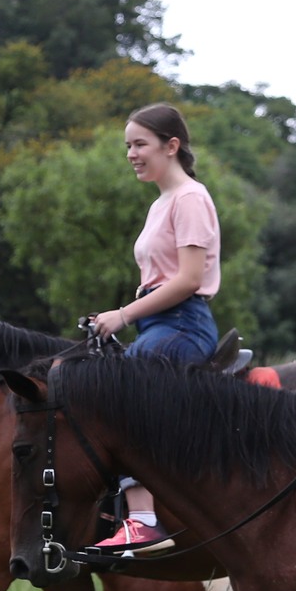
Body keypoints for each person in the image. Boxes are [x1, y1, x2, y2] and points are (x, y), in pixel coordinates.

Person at [88, 102, 222, 553]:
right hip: (156, 321)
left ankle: (144, 521)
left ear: (172, 145)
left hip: (183, 324)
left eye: (139, 144)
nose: (131, 153)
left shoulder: (189, 199)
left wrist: (123, 315)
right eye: (128, 145)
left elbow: (186, 280)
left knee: (127, 387)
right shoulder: (162, 202)